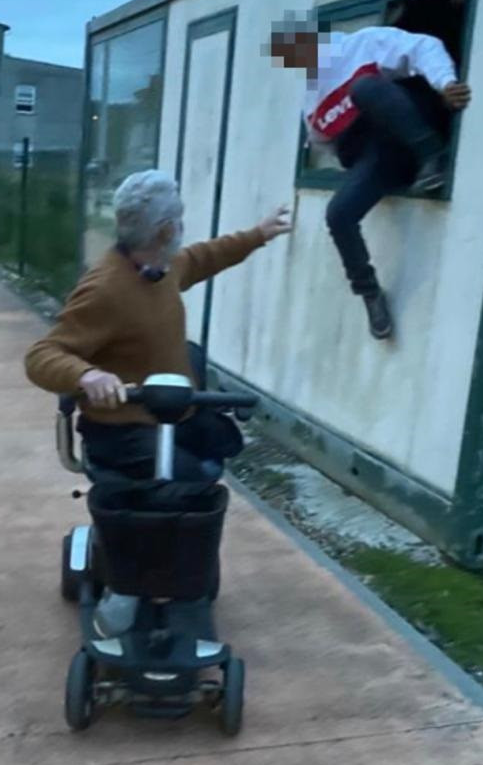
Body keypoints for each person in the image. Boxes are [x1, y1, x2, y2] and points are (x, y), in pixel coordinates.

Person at [24, 169, 291, 636]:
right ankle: (128, 585)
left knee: (212, 457)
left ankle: (180, 578)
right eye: (179, 220)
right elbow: (42, 355)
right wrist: (87, 374)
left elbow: (201, 258)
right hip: (120, 431)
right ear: (165, 230)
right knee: (185, 488)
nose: (183, 228)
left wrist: (258, 235)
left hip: (171, 417)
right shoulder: (106, 288)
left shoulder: (161, 268)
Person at [269, 22, 472, 339]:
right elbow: (322, 144)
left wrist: (445, 82)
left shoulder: (362, 43)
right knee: (338, 214)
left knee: (363, 88)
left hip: (411, 127)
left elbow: (423, 46)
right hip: (381, 158)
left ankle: (434, 158)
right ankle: (369, 293)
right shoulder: (311, 100)